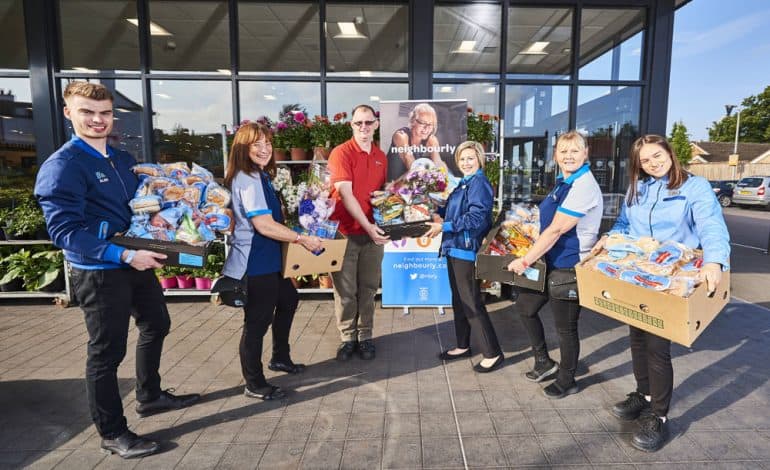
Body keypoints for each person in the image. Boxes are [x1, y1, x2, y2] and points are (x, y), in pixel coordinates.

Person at [34, 82, 200, 459]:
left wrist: (175, 216)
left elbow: (144, 204)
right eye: (87, 112)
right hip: (100, 271)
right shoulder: (63, 166)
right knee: (106, 353)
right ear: (68, 113)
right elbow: (64, 231)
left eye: (105, 113)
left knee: (157, 323)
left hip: (137, 260)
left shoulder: (123, 159)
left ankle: (149, 395)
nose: (97, 120)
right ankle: (112, 432)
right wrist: (122, 255)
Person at [591, 134, 729, 452]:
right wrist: (608, 238)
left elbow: (711, 224)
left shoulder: (694, 187)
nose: (653, 164)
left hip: (674, 274)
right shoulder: (638, 188)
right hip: (639, 272)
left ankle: (659, 416)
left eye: (657, 156)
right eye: (646, 161)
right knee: (637, 336)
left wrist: (714, 261)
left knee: (657, 345)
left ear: (669, 152)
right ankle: (644, 395)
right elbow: (625, 223)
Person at [222, 122, 323, 400]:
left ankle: (280, 357)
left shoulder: (261, 175)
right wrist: (302, 240)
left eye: (268, 143)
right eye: (257, 144)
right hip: (255, 262)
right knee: (257, 322)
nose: (265, 149)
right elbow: (264, 225)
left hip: (273, 259)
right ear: (243, 148)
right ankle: (254, 383)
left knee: (289, 300)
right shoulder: (247, 177)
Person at [506, 130, 602, 399]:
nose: (568, 155)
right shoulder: (564, 181)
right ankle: (543, 362)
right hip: (549, 259)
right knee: (525, 307)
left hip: (570, 265)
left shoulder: (583, 185)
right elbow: (545, 221)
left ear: (585, 153)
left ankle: (567, 378)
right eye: (563, 150)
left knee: (566, 327)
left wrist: (525, 260)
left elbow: (557, 229)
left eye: (575, 150)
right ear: (555, 155)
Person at [424, 141, 504, 372]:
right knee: (459, 301)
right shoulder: (463, 184)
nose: (466, 163)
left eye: (470, 158)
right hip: (454, 247)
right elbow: (453, 210)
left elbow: (477, 218)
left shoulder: (479, 183)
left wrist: (445, 226)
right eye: (462, 159)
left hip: (466, 249)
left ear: (479, 159)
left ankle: (493, 353)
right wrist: (432, 209)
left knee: (471, 301)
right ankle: (462, 345)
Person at [328, 104, 389, 361]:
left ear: (376, 124)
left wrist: (386, 196)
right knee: (345, 291)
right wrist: (369, 228)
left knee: (368, 288)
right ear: (351, 125)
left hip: (374, 233)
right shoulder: (341, 153)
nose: (363, 127)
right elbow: (345, 193)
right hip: (344, 233)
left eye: (368, 122)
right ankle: (347, 338)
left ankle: (365, 336)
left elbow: (383, 191)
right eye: (358, 123)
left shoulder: (381, 156)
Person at [386, 102, 445, 180]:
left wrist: (442, 179)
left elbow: (438, 162)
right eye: (423, 123)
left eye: (430, 124)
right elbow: (409, 159)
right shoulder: (401, 136)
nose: (427, 128)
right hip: (391, 185)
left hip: (411, 185)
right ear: (413, 121)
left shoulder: (431, 139)